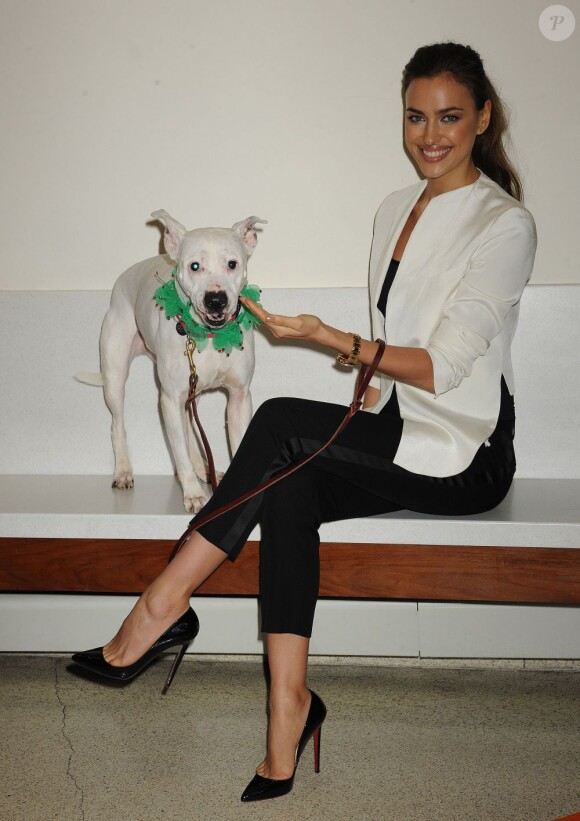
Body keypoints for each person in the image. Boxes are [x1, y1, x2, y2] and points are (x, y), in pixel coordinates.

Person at [71, 41, 537, 802]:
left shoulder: (505, 224)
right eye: (416, 116)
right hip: (398, 428)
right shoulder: (396, 208)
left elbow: (447, 366)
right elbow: (395, 351)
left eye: (451, 116)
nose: (431, 134)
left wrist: (324, 338)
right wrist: (359, 381)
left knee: (283, 418)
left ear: (483, 117)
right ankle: (287, 710)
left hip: (467, 446)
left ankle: (160, 606)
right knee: (288, 482)